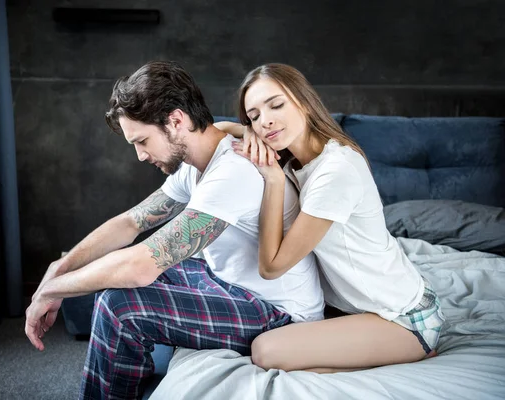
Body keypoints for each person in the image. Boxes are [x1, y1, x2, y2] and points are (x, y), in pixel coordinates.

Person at [24, 61, 324, 399]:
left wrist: (52, 291)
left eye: (142, 141)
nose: (139, 155)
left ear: (176, 121)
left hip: (277, 312)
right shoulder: (197, 164)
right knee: (139, 270)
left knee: (119, 305)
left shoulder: (235, 169)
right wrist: (61, 269)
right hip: (228, 282)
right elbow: (131, 223)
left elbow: (140, 266)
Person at [221, 63, 445, 373]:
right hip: (354, 311)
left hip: (401, 318)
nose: (266, 121)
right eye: (255, 115)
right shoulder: (296, 158)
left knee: (265, 351)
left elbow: (271, 266)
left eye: (276, 105)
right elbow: (219, 129)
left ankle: (408, 353)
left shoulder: (335, 170)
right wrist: (246, 129)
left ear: (303, 101)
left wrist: (272, 180)